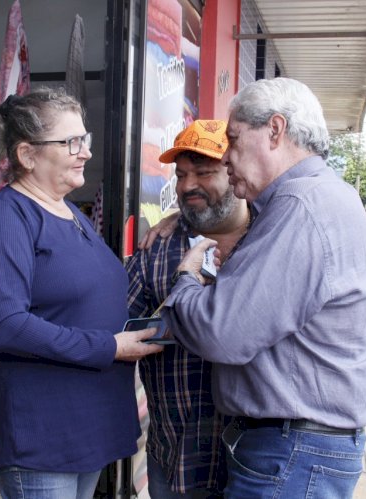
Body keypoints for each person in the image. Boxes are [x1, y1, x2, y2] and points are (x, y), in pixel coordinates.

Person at [160, 77, 366, 498]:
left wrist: (187, 279)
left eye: (235, 140)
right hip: (297, 449)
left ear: (275, 131)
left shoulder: (301, 205)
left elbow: (220, 333)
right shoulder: (322, 197)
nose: (228, 160)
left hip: (292, 451)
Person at [0, 87, 163, 499]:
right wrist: (107, 346)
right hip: (44, 435)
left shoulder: (70, 212)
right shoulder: (3, 220)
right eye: (71, 142)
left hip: (86, 423)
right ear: (27, 155)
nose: (85, 151)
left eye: (84, 140)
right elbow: (4, 326)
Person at [126, 120, 249, 498]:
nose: (187, 185)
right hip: (175, 458)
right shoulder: (157, 250)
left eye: (204, 172)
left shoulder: (272, 240)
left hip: (254, 463)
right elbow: (118, 330)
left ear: (235, 173)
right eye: (181, 174)